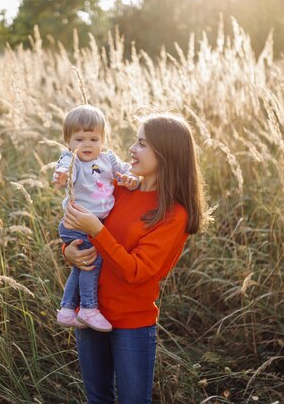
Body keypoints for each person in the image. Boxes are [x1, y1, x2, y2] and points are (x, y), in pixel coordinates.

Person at [61, 113, 209, 403]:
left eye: (141, 143)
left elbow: (138, 271)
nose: (131, 149)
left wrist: (98, 229)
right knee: (97, 398)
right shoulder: (116, 188)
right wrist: (68, 252)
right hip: (90, 313)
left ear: (165, 154)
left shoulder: (173, 214)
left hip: (131, 323)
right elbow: (83, 239)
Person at [53, 104, 139, 332]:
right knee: (93, 261)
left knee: (80, 266)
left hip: (92, 223)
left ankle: (67, 310)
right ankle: (89, 309)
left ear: (103, 139)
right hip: (76, 223)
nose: (87, 145)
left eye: (94, 138)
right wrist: (62, 176)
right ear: (68, 142)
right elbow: (64, 170)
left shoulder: (107, 158)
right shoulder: (71, 160)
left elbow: (125, 170)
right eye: (79, 139)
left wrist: (131, 179)